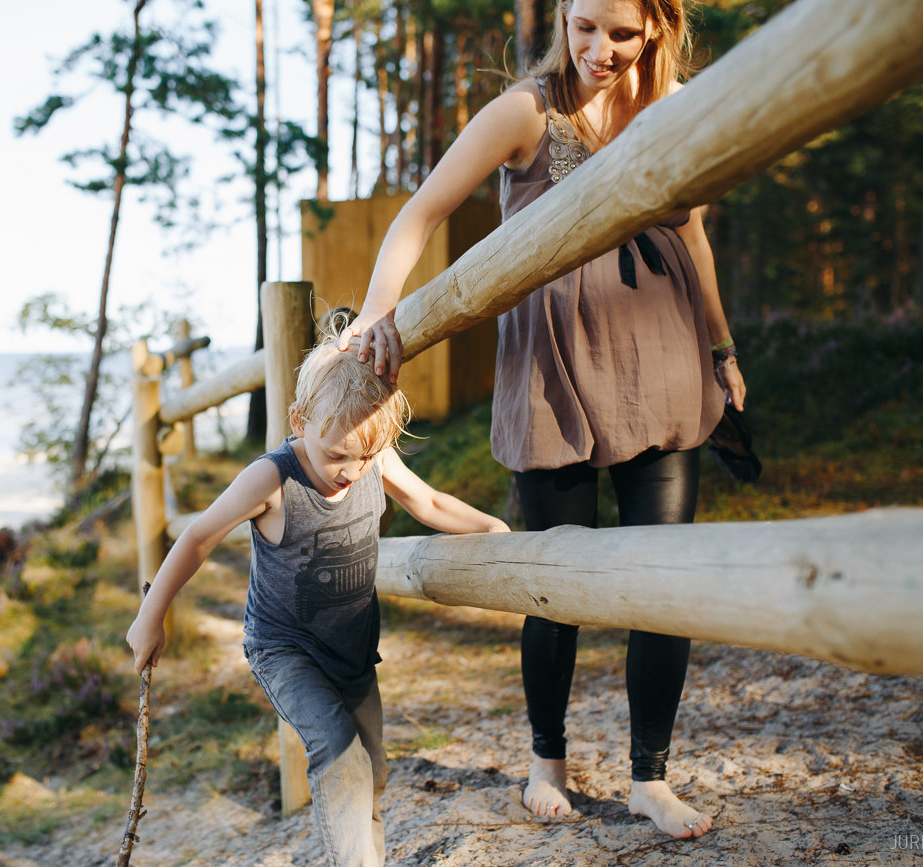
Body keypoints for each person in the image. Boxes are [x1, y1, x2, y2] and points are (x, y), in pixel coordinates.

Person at [338, 0, 746, 841]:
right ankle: (546, 761)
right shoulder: (527, 111)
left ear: (659, 29)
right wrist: (380, 314)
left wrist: (721, 345)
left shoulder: (673, 109)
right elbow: (421, 212)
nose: (599, 49)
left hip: (661, 363)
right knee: (551, 581)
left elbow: (694, 238)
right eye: (584, 25)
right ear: (563, 16)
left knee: (661, 582)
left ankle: (649, 777)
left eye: (622, 33)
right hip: (553, 368)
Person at [126, 330, 510, 867]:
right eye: (337, 457)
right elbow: (198, 537)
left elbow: (428, 500)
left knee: (372, 769)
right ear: (298, 421)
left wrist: (493, 529)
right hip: (285, 649)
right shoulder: (272, 478)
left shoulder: (368, 456)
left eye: (365, 457)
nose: (351, 472)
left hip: (352, 653)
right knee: (339, 752)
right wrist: (151, 614)